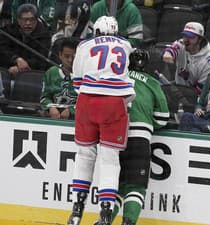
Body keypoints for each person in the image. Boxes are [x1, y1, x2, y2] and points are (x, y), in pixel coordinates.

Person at [67, 16, 135, 225]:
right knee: (110, 160)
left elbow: (77, 80)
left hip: (87, 101)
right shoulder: (126, 45)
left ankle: (77, 211)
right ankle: (105, 214)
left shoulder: (84, 45)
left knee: (84, 155)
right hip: (114, 103)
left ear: (95, 31)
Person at [111, 49, 169, 225]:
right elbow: (162, 118)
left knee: (118, 187)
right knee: (136, 187)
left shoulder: (116, 77)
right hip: (139, 138)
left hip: (114, 138)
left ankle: (105, 220)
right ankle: (128, 222)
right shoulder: (152, 82)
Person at [162, 22, 210, 92]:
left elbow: (202, 90)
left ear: (200, 40)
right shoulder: (182, 44)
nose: (186, 40)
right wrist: (168, 54)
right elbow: (172, 50)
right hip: (178, 90)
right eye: (185, 36)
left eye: (190, 37)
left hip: (198, 97)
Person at [0, 4, 51, 75]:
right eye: (25, 20)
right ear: (18, 20)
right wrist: (16, 59)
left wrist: (19, 68)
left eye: (32, 19)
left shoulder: (44, 35)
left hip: (31, 74)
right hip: (8, 70)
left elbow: (41, 59)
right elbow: (2, 50)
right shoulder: (8, 31)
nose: (28, 23)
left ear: (36, 20)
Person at [178, 60, 210, 133]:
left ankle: (208, 131)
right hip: (204, 119)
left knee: (193, 127)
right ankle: (208, 131)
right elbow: (200, 103)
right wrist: (198, 109)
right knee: (186, 116)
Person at [40, 37, 78, 120]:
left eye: (74, 57)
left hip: (77, 120)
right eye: (66, 56)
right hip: (53, 117)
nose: (70, 60)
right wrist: (51, 107)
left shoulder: (84, 75)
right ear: (60, 55)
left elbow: (87, 101)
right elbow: (44, 97)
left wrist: (71, 110)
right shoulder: (51, 72)